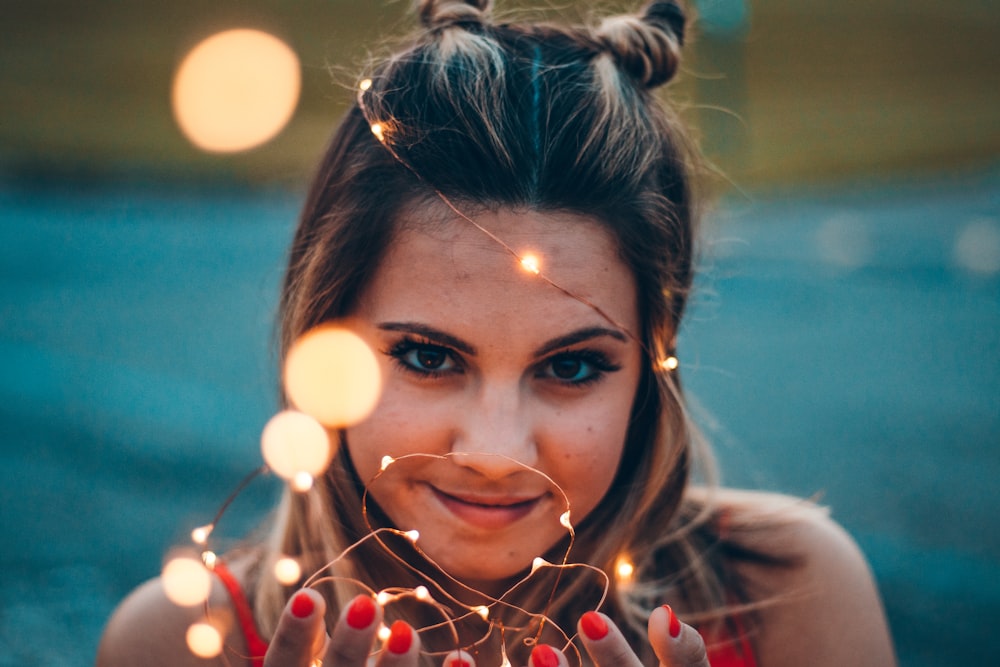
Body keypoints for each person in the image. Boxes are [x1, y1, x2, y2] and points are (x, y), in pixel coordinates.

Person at [96, 1, 897, 666]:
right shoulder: (178, 642)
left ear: (654, 366)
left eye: (574, 366)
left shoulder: (791, 594)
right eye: (428, 356)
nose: (496, 449)